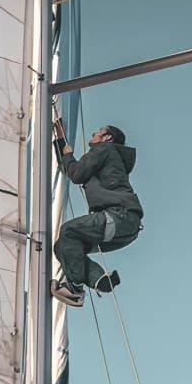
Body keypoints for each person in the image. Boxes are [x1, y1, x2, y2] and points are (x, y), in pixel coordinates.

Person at [50, 119, 142, 307]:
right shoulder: (109, 158)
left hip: (119, 216)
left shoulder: (104, 149)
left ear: (107, 138)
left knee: (69, 231)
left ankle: (75, 288)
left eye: (99, 131)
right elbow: (71, 169)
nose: (94, 133)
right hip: (126, 229)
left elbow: (77, 174)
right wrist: (61, 142)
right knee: (63, 247)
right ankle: (97, 278)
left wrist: (67, 153)